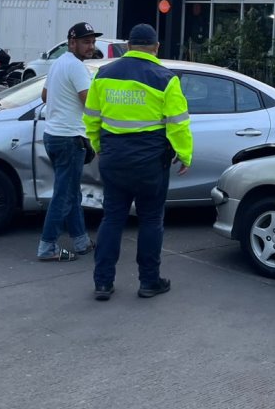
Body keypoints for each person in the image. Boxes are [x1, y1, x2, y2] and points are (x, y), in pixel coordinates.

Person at [84, 23, 192, 301]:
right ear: (156, 47)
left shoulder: (103, 75)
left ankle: (103, 283)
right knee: (151, 220)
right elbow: (178, 124)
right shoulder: (165, 78)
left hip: (113, 158)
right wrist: (185, 154)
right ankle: (149, 281)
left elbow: (91, 118)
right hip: (150, 163)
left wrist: (99, 147)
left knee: (112, 218)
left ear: (128, 46)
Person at [36, 22, 99, 262]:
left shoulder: (58, 64)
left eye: (92, 42)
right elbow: (89, 103)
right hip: (70, 139)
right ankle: (47, 246)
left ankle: (81, 241)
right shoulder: (76, 67)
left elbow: (44, 95)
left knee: (71, 192)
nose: (90, 46)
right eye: (85, 42)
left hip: (53, 136)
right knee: (64, 195)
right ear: (72, 42)